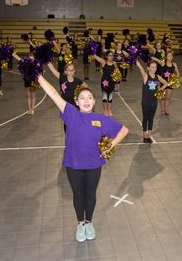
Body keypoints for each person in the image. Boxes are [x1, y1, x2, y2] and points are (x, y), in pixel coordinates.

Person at [36, 74, 128, 242]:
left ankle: (89, 223)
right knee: (78, 194)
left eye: (90, 98)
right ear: (76, 102)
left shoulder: (101, 119)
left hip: (94, 164)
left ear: (94, 102)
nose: (86, 100)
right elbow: (54, 94)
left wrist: (111, 145)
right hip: (74, 164)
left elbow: (124, 130)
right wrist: (38, 76)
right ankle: (80, 224)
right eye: (82, 98)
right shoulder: (71, 113)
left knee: (90, 194)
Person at [135, 59, 168, 143]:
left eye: (155, 67)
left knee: (151, 118)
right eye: (152, 67)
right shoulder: (146, 76)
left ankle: (149, 135)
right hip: (146, 101)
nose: (154, 69)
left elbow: (166, 83)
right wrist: (135, 58)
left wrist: (160, 89)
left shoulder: (158, 77)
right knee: (145, 118)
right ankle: (144, 135)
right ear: (148, 68)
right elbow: (140, 68)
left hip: (154, 101)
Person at [151, 51, 180, 116]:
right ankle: (162, 110)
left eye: (171, 56)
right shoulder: (163, 63)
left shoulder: (174, 64)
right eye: (169, 56)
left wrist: (176, 78)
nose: (170, 57)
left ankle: (166, 110)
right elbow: (157, 60)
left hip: (170, 84)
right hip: (163, 83)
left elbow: (177, 73)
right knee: (162, 98)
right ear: (166, 57)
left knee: (168, 98)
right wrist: (152, 58)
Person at [94, 51, 118, 116]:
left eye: (112, 56)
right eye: (109, 56)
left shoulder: (114, 63)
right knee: (104, 96)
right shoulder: (104, 62)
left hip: (112, 82)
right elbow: (96, 57)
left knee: (110, 96)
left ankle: (109, 110)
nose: (111, 57)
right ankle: (105, 110)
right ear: (106, 56)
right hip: (104, 82)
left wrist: (116, 82)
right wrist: (93, 51)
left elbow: (117, 73)